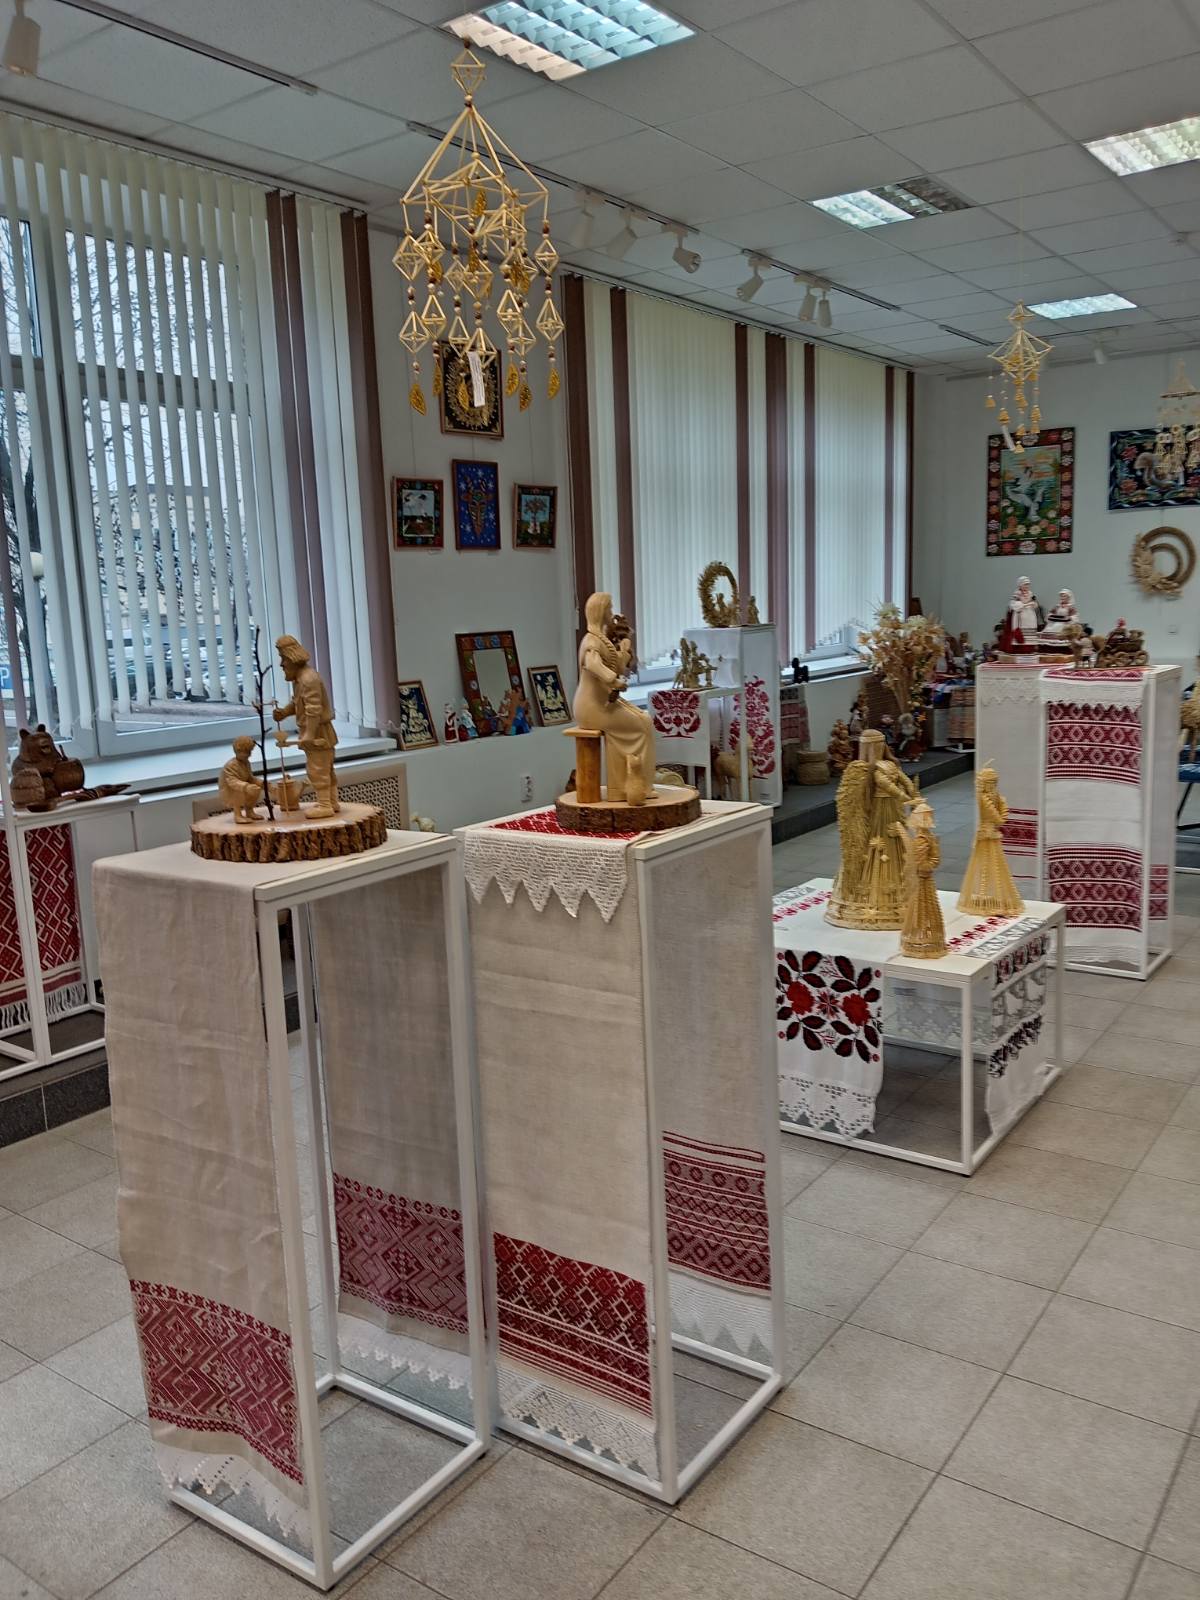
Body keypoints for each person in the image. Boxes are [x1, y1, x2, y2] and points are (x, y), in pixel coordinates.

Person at [574, 592, 656, 806]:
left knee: (644, 719)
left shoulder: (601, 639)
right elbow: (593, 665)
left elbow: (615, 665)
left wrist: (624, 650)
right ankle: (627, 785)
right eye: (609, 608)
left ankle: (634, 784)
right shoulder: (591, 641)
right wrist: (613, 680)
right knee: (641, 725)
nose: (611, 613)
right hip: (592, 706)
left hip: (604, 702)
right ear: (600, 612)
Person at [273, 636, 339, 818]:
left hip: (318, 731)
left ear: (292, 658)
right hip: (315, 730)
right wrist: (285, 712)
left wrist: (309, 733)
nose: (281, 664)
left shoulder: (308, 679)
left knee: (317, 769)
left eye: (283, 659)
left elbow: (313, 709)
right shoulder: (301, 679)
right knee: (325, 768)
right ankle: (332, 801)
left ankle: (325, 805)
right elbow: (298, 703)